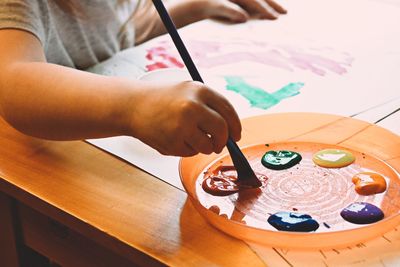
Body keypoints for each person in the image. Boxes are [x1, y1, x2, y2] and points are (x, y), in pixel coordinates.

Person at [0, 0, 286, 156]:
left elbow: (119, 35)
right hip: (33, 180)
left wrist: (196, 7)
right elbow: (14, 81)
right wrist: (134, 108)